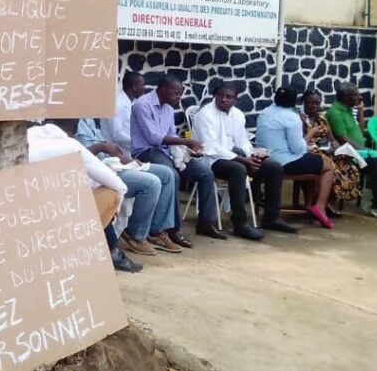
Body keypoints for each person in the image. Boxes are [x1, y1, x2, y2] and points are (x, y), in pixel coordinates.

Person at [27, 120, 142, 273]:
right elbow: (118, 185)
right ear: (75, 129)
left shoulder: (27, 136)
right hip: (55, 221)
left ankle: (111, 251)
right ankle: (103, 251)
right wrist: (115, 211)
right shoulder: (70, 145)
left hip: (27, 215)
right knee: (111, 193)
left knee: (85, 189)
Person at [192, 84, 288, 239]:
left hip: (235, 156)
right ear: (215, 96)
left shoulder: (237, 114)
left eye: (228, 97)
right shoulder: (205, 115)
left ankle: (271, 218)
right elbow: (211, 147)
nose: (224, 100)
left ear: (236, 99)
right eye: (220, 96)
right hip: (210, 159)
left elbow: (243, 141)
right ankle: (240, 223)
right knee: (238, 169)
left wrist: (252, 156)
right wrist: (243, 160)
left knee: (274, 166)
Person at [76, 117, 181, 254]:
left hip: (112, 163)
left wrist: (125, 160)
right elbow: (75, 156)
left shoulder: (89, 119)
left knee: (167, 174)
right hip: (97, 172)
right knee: (151, 183)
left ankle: (155, 232)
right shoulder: (69, 122)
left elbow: (106, 150)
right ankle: (136, 236)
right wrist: (101, 147)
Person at [131, 75, 214, 244]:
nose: (179, 97)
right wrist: (186, 141)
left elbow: (171, 135)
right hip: (145, 152)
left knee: (205, 172)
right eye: (176, 93)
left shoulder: (168, 108)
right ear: (162, 90)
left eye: (180, 94)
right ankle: (172, 229)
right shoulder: (142, 105)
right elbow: (153, 137)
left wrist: (188, 149)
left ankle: (206, 222)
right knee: (172, 175)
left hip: (167, 151)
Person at [256, 87, 336, 229]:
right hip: (285, 161)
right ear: (294, 102)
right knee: (328, 165)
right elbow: (297, 148)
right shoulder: (292, 118)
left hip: (265, 158)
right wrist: (311, 133)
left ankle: (310, 203)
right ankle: (320, 207)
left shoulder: (265, 112)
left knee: (315, 160)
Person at [326, 83, 377, 221]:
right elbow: (343, 139)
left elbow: (360, 130)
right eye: (355, 95)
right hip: (348, 154)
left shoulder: (348, 109)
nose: (359, 97)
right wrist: (368, 150)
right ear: (345, 97)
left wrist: (361, 110)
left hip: (360, 152)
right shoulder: (335, 112)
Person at [301, 91, 361, 209]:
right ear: (304, 103)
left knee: (348, 167)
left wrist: (335, 146)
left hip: (326, 150)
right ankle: (323, 202)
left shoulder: (322, 119)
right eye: (310, 103)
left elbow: (332, 138)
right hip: (309, 151)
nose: (314, 106)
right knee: (333, 168)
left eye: (317, 103)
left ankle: (330, 199)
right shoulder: (300, 119)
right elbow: (300, 142)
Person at [102, 70, 145, 155]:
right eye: (143, 85)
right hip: (116, 155)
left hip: (132, 151)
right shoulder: (116, 104)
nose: (144, 88)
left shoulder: (134, 102)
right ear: (134, 87)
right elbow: (117, 135)